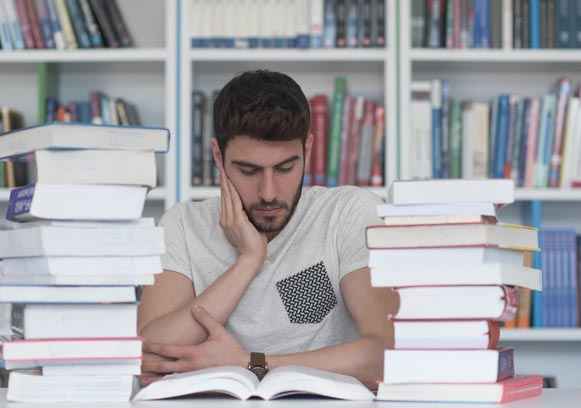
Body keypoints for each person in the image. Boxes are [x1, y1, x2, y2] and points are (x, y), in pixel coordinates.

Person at [138, 70, 398, 389]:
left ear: (308, 149)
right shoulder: (182, 225)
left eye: (285, 168)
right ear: (218, 156)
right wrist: (248, 260)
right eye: (248, 171)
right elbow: (150, 355)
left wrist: (252, 364)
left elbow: (387, 354)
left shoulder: (348, 214)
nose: (269, 193)